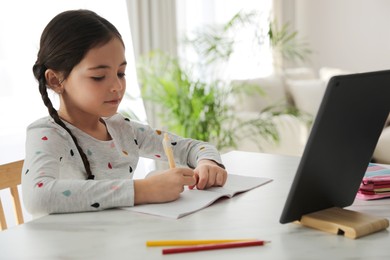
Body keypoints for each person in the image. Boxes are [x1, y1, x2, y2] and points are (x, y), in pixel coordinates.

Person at [22, 9, 227, 217]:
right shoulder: (47, 134)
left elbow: (193, 148)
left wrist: (207, 163)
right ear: (56, 80)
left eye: (121, 73)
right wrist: (145, 190)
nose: (117, 86)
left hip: (118, 240)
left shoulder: (122, 129)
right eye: (99, 77)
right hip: (70, 247)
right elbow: (37, 198)